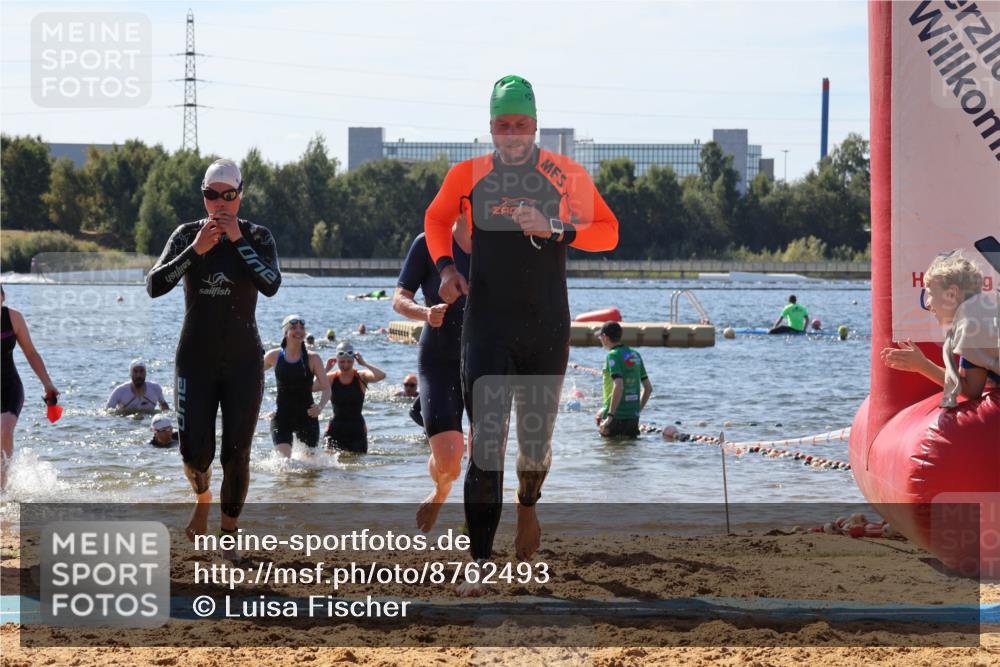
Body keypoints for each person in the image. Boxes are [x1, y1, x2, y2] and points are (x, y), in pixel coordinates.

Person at [424, 74, 618, 593]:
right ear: (491, 127)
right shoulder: (468, 175)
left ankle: (527, 504)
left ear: (536, 125)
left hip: (546, 328)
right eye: (503, 125)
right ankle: (479, 563)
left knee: (535, 447)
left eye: (521, 124)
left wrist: (557, 228)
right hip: (487, 327)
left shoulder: (565, 174)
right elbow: (436, 219)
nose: (512, 134)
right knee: (486, 445)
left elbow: (609, 231)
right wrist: (445, 268)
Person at [146, 158, 281, 544]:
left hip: (243, 362)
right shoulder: (187, 234)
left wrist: (237, 240)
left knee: (237, 454)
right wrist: (195, 250)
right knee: (194, 455)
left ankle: (228, 534)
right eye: (212, 194)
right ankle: (203, 497)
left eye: (229, 194)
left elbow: (271, 284)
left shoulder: (257, 236)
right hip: (196, 360)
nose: (220, 203)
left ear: (240, 195)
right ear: (203, 196)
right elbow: (154, 286)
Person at [394, 220, 473, 532]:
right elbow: (399, 298)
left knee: (485, 455)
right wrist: (425, 313)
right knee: (450, 463)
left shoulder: (496, 245)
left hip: (484, 358)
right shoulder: (428, 242)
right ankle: (441, 491)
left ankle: (478, 528)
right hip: (439, 359)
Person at [881, 252, 998, 407]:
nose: (927, 304)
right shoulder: (981, 315)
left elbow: (972, 390)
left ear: (951, 294)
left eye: (930, 294)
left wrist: (923, 365)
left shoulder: (970, 326)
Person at [1, 286, 60, 491]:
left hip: (9, 386)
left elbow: (31, 353)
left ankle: (2, 488)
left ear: (2, 297)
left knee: (5, 431)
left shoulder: (13, 317)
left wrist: (47, 383)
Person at [263, 315, 331, 458]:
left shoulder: (313, 358)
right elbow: (252, 375)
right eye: (294, 328)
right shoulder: (273, 356)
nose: (299, 331)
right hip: (281, 416)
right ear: (285, 333)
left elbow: (326, 387)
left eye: (301, 328)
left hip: (307, 416)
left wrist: (320, 407)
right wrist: (261, 407)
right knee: (284, 463)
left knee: (310, 467)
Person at [322, 341, 385, 453]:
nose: (345, 365)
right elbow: (312, 386)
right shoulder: (331, 377)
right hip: (336, 428)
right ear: (336, 360)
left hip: (356, 428)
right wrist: (325, 370)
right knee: (328, 461)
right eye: (342, 362)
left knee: (357, 462)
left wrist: (364, 363)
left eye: (349, 361)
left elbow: (381, 375)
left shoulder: (361, 376)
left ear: (354, 361)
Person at [595, 322, 653, 438]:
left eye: (600, 337)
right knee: (629, 447)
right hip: (633, 417)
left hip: (615, 417)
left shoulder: (612, 355)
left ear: (605, 337)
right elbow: (648, 389)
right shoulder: (635, 354)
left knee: (609, 448)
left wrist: (610, 416)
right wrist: (636, 411)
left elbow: (619, 386)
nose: (601, 340)